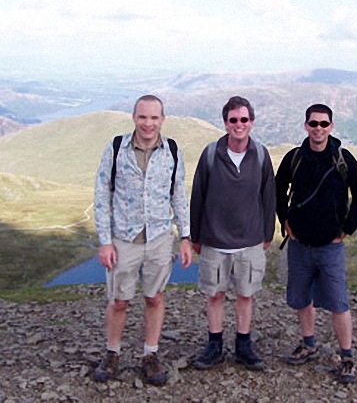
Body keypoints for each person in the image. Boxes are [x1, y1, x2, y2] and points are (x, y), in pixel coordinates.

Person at [93, 94, 192, 386]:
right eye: (142, 117)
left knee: (154, 296)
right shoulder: (116, 148)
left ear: (162, 119)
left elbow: (178, 195)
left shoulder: (172, 150)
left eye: (154, 117)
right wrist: (105, 240)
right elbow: (102, 195)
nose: (148, 123)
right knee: (119, 300)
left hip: (160, 236)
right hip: (124, 236)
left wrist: (185, 236)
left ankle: (150, 354)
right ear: (134, 117)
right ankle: (112, 353)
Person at [275, 103, 357, 385]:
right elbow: (278, 189)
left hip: (330, 246)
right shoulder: (295, 158)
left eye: (323, 124)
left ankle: (347, 356)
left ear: (331, 126)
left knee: (338, 302)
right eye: (313, 124)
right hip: (300, 244)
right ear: (306, 126)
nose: (318, 129)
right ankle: (309, 343)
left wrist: (348, 228)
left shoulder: (342, 158)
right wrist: (285, 221)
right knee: (302, 297)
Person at [190, 96, 276, 371]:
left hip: (250, 241)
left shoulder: (261, 155)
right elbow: (198, 196)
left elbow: (268, 196)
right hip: (214, 240)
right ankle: (214, 345)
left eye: (244, 119)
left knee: (245, 294)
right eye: (233, 120)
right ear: (225, 122)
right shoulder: (210, 154)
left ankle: (243, 345)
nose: (239, 125)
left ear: (252, 122)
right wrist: (195, 235)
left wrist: (267, 234)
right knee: (214, 295)